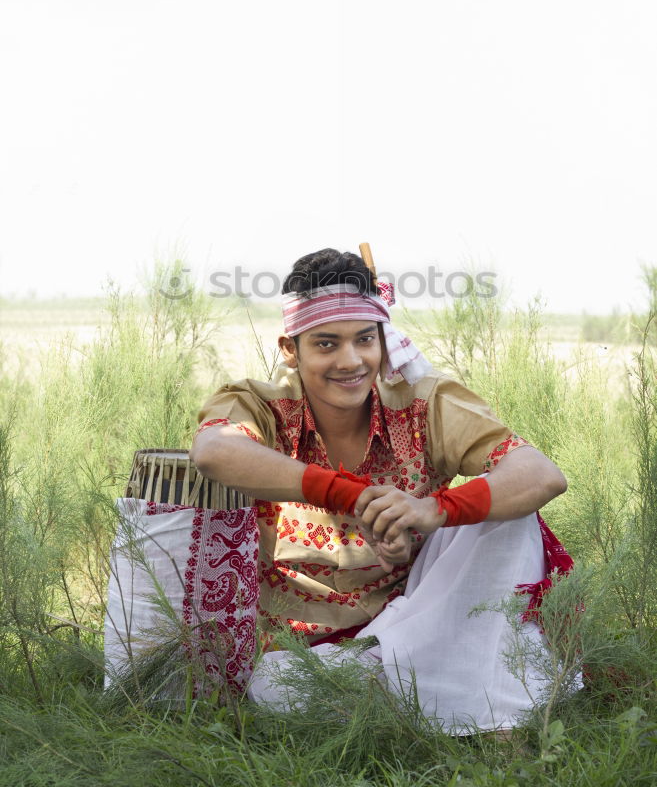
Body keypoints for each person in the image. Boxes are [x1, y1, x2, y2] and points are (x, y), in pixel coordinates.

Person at [190, 248, 569, 733]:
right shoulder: (256, 405)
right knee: (276, 690)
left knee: (512, 518)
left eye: (364, 340)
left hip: (417, 617)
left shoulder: (424, 403)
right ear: (291, 348)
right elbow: (213, 452)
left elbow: (541, 474)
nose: (350, 361)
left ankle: (435, 694)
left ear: (383, 342)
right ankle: (436, 692)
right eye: (326, 344)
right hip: (304, 644)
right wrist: (345, 494)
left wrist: (433, 510)